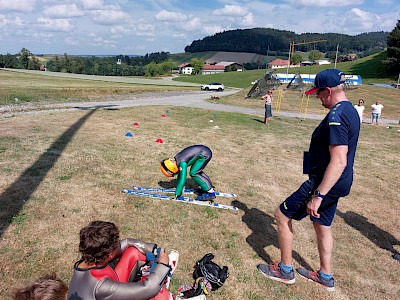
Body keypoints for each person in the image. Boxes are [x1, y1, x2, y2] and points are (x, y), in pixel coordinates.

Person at [257, 69, 360, 292]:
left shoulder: (337, 116)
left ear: (329, 91)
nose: (317, 97)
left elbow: (339, 160)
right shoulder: (350, 110)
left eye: (318, 93)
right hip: (340, 182)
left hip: (324, 182)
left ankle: (285, 270)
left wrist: (319, 195)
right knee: (322, 224)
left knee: (281, 215)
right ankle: (325, 275)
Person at [67, 220, 177, 300]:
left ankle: (155, 274)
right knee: (159, 295)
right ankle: (160, 278)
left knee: (133, 252)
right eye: (116, 245)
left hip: (106, 290)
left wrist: (153, 249)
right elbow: (148, 288)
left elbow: (127, 243)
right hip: (106, 290)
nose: (120, 244)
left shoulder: (90, 258)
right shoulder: (101, 286)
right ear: (110, 254)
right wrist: (163, 264)